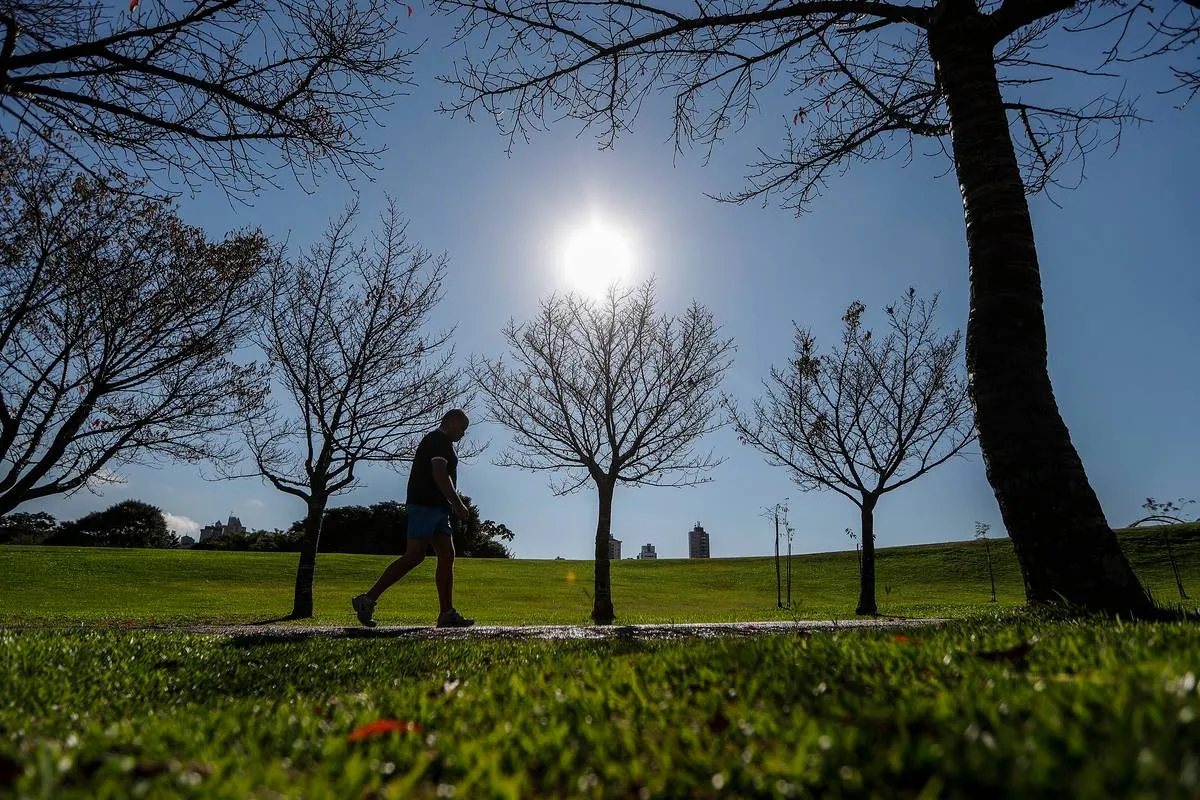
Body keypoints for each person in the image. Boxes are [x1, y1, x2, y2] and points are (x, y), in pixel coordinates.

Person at [352, 409, 475, 628]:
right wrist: (457, 502)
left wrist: (450, 503)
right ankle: (367, 599)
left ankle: (447, 613)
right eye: (461, 428)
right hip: (425, 505)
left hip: (438, 508)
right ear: (449, 421)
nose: (463, 434)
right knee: (415, 555)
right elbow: (439, 472)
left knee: (447, 556)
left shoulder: (444, 444)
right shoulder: (437, 440)